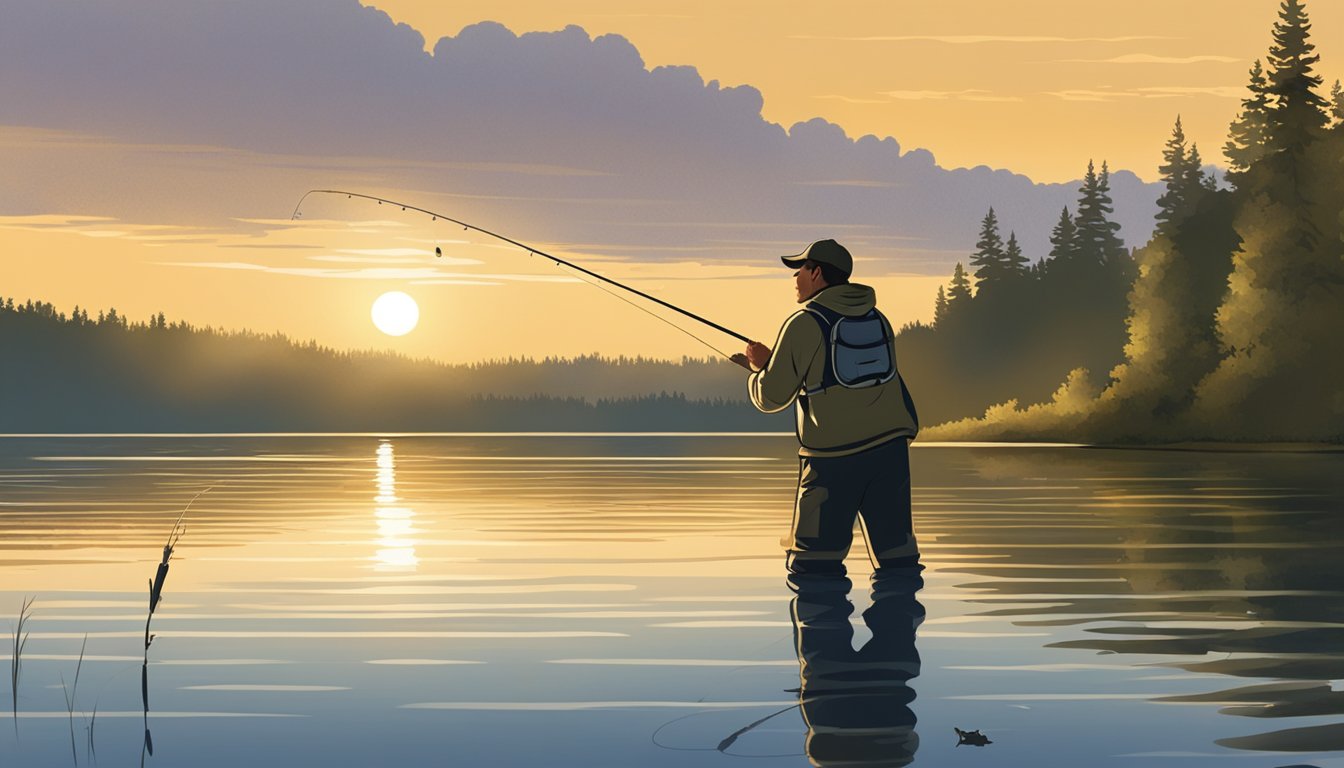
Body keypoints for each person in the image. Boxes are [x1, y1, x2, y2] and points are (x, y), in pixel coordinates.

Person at [733, 239, 919, 577]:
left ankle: (821, 629)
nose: (795, 279)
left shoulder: (803, 322)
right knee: (898, 562)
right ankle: (900, 625)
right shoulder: (878, 317)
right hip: (890, 454)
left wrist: (759, 369)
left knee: (814, 570)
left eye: (800, 270)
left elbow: (772, 397)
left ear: (817, 273)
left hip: (833, 462)